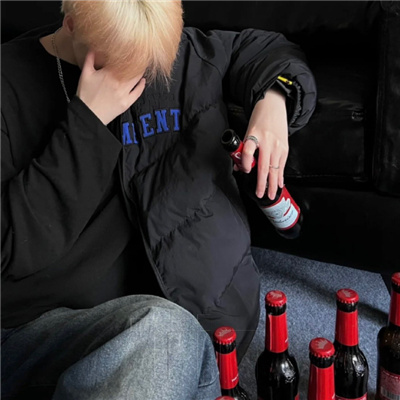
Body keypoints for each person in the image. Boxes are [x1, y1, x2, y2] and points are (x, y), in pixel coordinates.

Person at [1, 0, 317, 398]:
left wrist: (275, 99)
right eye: (128, 61)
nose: (146, 74)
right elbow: (12, 249)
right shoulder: (8, 84)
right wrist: (87, 124)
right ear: (72, 25)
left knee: (174, 341)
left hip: (169, 335)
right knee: (168, 340)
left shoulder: (171, 52)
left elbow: (270, 50)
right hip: (34, 332)